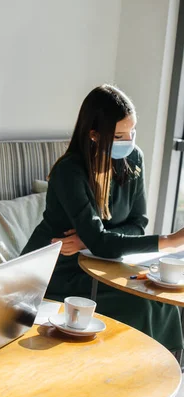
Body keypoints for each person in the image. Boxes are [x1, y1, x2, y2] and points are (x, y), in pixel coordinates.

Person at [22, 84, 184, 351]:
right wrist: (169, 241)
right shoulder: (69, 172)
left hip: (104, 262)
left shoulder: (133, 159)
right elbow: (102, 241)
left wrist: (90, 241)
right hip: (58, 269)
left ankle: (164, 378)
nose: (129, 142)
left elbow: (137, 224)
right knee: (140, 305)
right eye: (119, 135)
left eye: (132, 132)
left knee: (161, 302)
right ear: (94, 135)